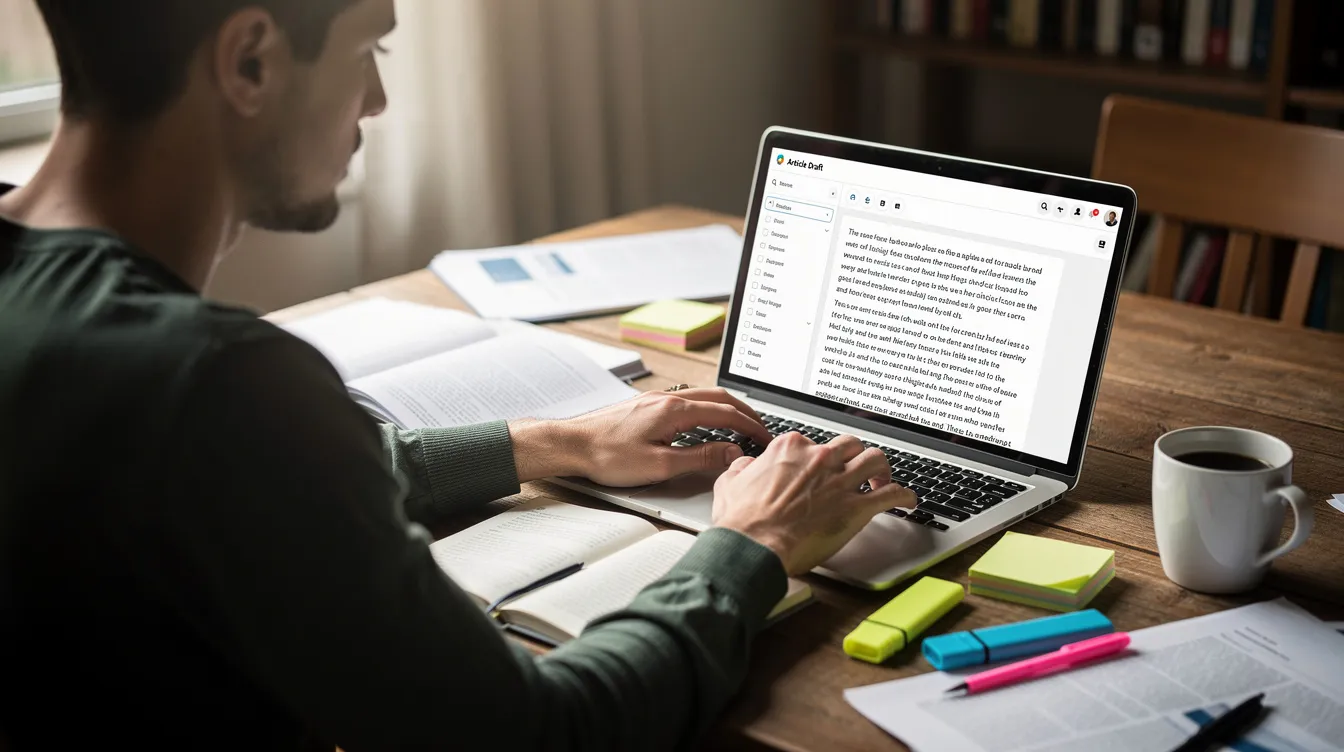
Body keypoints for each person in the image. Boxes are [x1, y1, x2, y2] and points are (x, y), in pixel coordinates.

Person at [0, 1, 914, 749]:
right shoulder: (219, 381)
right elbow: (542, 732)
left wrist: (558, 443)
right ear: (249, 62)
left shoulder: (94, 338)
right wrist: (751, 546)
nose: (376, 100)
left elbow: (250, 475)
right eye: (369, 49)